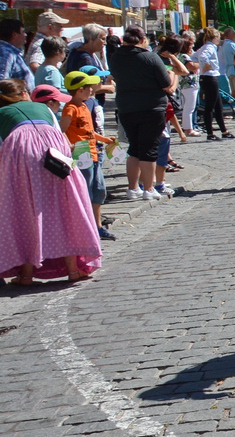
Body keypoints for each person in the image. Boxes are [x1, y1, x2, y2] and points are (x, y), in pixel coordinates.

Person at [0, 79, 100, 285]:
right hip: (54, 150)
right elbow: (59, 132)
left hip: (19, 151)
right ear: (23, 93)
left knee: (25, 209)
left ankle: (26, 274)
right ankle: (73, 269)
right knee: (63, 206)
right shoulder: (41, 107)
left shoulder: (2, 114)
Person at [108, 27, 172, 202]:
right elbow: (166, 83)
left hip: (127, 107)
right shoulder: (150, 57)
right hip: (151, 107)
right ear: (143, 39)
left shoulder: (116, 57)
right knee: (149, 149)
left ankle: (132, 188)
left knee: (134, 148)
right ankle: (149, 188)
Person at [61, 71, 117, 241]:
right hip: (80, 155)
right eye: (89, 88)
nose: (92, 90)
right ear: (79, 90)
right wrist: (68, 144)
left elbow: (90, 131)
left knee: (99, 190)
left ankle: (97, 225)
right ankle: (86, 227)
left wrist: (105, 140)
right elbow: (61, 130)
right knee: (85, 191)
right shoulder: (70, 108)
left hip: (94, 153)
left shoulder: (85, 106)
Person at [188, 27, 233, 140]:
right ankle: (210, 133)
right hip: (210, 77)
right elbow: (202, 57)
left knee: (218, 106)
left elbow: (193, 57)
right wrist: (207, 65)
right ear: (215, 38)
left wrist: (201, 64)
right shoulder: (209, 47)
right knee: (210, 106)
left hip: (209, 77)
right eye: (218, 37)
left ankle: (224, 131)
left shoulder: (206, 47)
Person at [0, 19, 32, 93]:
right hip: (15, 101)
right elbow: (2, 82)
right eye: (23, 32)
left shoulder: (11, 52)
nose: (26, 34)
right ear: (14, 34)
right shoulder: (6, 53)